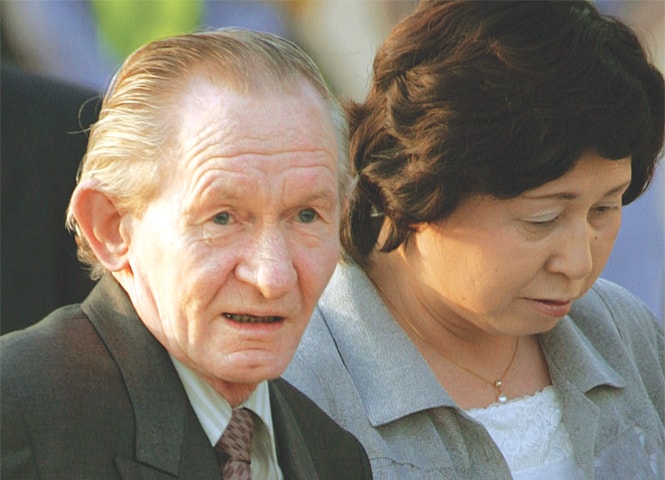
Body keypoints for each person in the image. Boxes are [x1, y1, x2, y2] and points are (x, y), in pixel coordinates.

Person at [284, 1, 665, 479]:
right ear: (420, 189)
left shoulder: (623, 334)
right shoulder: (301, 383)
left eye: (604, 209)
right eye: (541, 219)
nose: (578, 261)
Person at [0, 29, 373, 479]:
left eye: (307, 216)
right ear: (111, 226)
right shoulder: (20, 415)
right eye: (222, 218)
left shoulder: (335, 456)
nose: (272, 276)